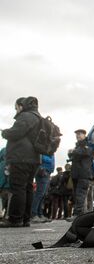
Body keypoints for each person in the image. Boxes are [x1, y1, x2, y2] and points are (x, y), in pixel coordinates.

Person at [0, 97, 42, 228]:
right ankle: (25, 219)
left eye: (16, 107)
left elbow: (16, 133)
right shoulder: (38, 117)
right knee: (28, 188)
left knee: (18, 187)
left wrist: (5, 132)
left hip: (21, 157)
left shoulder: (25, 116)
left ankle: (15, 219)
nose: (16, 110)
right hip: (34, 158)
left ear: (21, 106)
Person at [67, 129, 94, 220]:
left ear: (84, 135)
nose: (77, 135)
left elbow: (85, 152)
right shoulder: (78, 146)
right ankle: (80, 215)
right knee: (77, 195)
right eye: (76, 134)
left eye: (79, 134)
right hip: (76, 174)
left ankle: (77, 214)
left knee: (80, 195)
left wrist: (72, 152)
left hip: (84, 174)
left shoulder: (88, 144)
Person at [31, 154, 54, 223]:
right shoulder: (45, 149)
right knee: (39, 194)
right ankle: (34, 214)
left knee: (42, 194)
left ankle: (39, 214)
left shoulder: (49, 150)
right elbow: (40, 157)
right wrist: (50, 158)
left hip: (47, 172)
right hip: (43, 171)